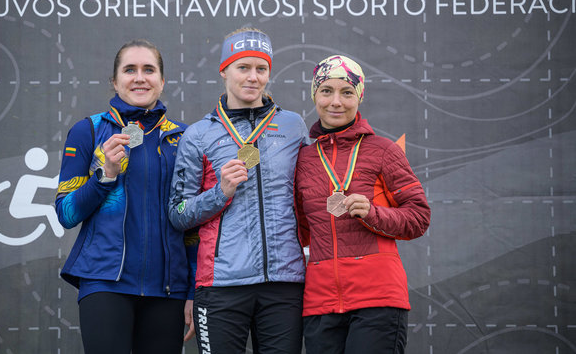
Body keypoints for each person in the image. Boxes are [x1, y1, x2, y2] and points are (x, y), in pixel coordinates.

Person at [168, 27, 309, 353]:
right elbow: (177, 214)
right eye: (243, 67)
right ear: (224, 71)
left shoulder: (292, 126)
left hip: (284, 283)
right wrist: (222, 191)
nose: (253, 77)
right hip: (221, 285)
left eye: (261, 69)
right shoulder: (199, 134)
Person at [55, 39, 197, 354]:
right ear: (115, 81)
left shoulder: (185, 138)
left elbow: (192, 226)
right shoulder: (88, 130)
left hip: (168, 289)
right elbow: (66, 213)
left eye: (149, 70)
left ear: (162, 81)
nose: (139, 77)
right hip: (105, 283)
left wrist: (192, 289)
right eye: (129, 70)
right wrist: (105, 174)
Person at [294, 55, 431, 354]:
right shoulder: (302, 158)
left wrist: (373, 213)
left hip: (377, 298)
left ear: (360, 96)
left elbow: (419, 218)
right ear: (314, 95)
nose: (336, 102)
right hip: (321, 302)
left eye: (347, 92)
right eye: (326, 91)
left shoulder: (383, 150)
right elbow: (301, 231)